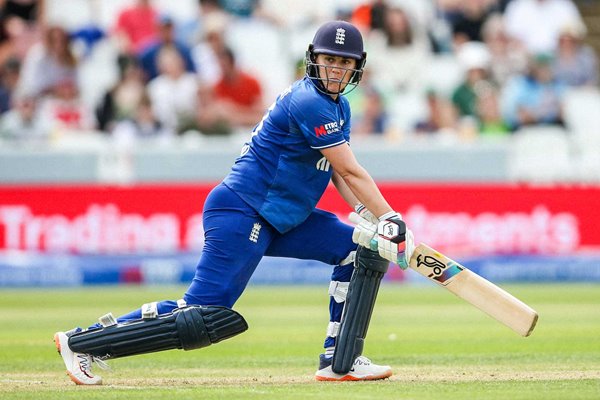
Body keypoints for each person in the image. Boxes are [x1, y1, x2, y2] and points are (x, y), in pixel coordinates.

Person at [53, 20, 415, 385]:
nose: (336, 68)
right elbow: (351, 172)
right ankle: (82, 343)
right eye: (329, 59)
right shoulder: (309, 101)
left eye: (345, 62)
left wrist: (373, 218)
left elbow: (337, 172)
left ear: (357, 67)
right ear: (313, 59)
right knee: (202, 314)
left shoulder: (338, 108)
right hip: (244, 209)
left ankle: (341, 359)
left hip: (284, 216)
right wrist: (390, 218)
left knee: (359, 250)